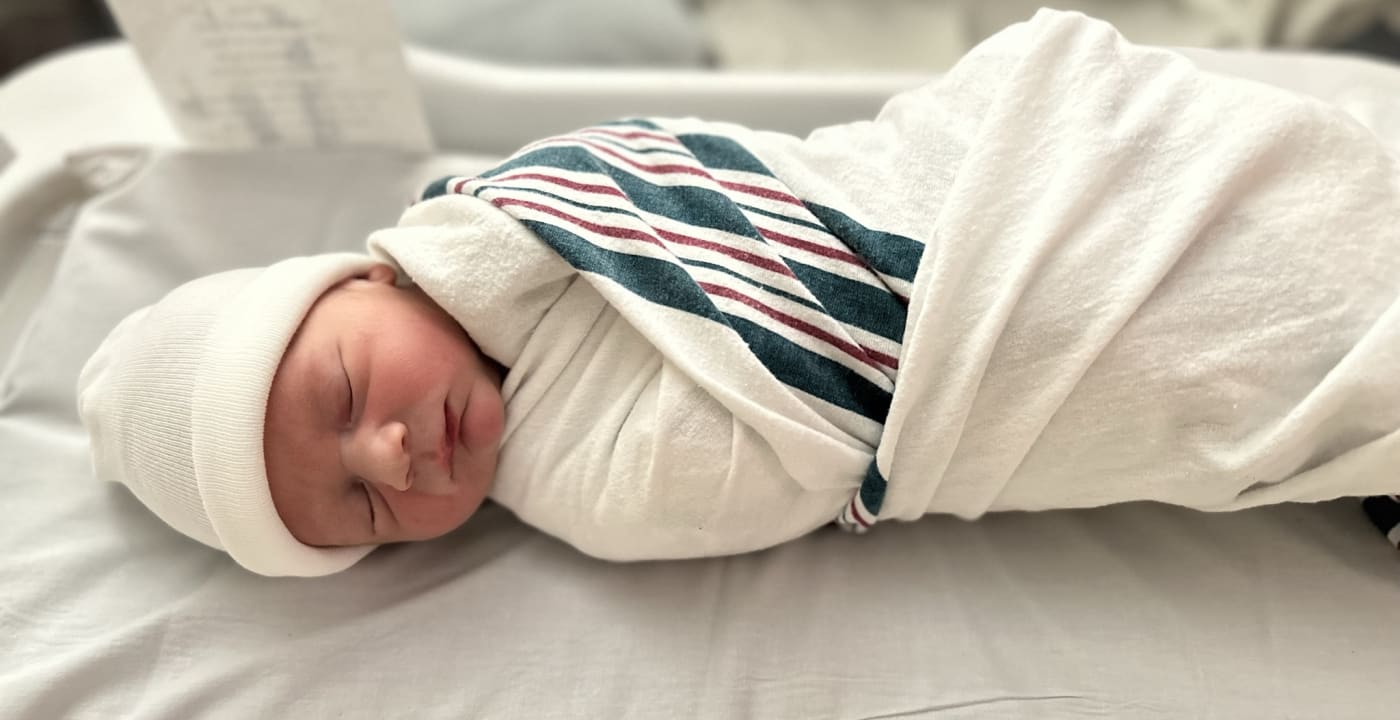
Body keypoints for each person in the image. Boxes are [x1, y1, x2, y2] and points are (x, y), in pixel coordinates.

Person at [77, 9, 1400, 577]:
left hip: (997, 183)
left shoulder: (526, 200)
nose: (393, 449)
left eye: (349, 393)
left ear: (368, 278)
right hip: (975, 364)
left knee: (1230, 198)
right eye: (363, 503)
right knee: (1230, 356)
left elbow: (754, 174)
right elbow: (756, 471)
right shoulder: (586, 484)